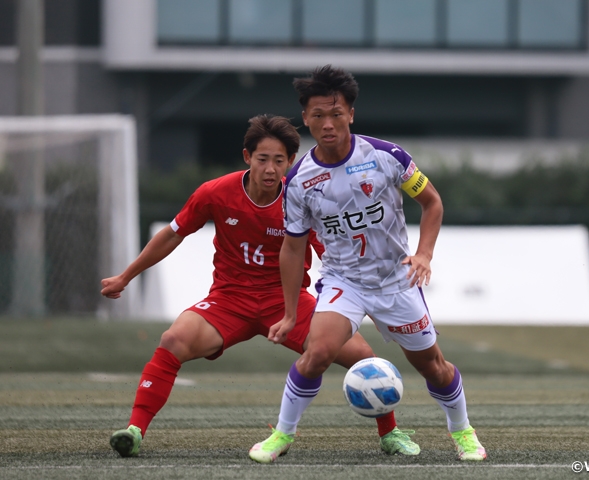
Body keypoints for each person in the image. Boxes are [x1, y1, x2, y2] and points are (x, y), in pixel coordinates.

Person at [102, 114, 419, 459]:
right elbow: (173, 235)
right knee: (173, 339)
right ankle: (134, 431)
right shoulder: (215, 193)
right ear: (247, 157)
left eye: (279, 161)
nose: (270, 169)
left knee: (361, 356)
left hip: (287, 303)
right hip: (228, 300)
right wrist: (126, 276)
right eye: (263, 159)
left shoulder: (304, 200)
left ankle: (391, 434)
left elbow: (332, 253)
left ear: (290, 163)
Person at [249, 67, 486, 463]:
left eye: (336, 114)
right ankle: (281, 435)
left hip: (396, 279)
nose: (328, 124)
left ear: (351, 114)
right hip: (344, 280)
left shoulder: (385, 157)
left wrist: (424, 255)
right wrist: (291, 314)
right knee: (318, 351)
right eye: (318, 115)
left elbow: (432, 202)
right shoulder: (299, 180)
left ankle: (463, 432)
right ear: (305, 118)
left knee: (433, 366)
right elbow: (292, 248)